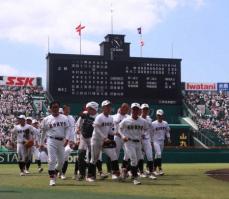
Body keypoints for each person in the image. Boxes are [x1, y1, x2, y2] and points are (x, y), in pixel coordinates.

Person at [87, 100, 120, 182]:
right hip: (96, 141)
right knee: (94, 159)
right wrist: (104, 137)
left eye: (109, 106)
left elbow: (108, 131)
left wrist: (116, 133)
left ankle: (115, 174)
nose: (108, 108)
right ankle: (89, 176)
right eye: (106, 106)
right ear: (103, 108)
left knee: (113, 155)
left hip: (104, 141)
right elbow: (96, 128)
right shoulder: (99, 117)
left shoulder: (110, 118)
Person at [40, 101, 71, 186]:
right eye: (53, 107)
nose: (55, 108)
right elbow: (43, 132)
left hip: (61, 141)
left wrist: (67, 139)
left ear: (59, 108)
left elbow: (68, 129)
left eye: (56, 107)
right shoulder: (46, 119)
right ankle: (52, 179)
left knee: (61, 162)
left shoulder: (64, 118)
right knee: (52, 160)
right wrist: (41, 143)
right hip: (51, 140)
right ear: (50, 109)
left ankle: (55, 172)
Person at [119, 103, 147, 185]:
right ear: (131, 110)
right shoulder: (126, 120)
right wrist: (123, 136)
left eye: (137, 109)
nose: (135, 110)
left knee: (138, 160)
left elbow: (146, 129)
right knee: (134, 160)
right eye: (133, 109)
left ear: (139, 111)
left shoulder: (143, 121)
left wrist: (142, 134)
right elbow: (119, 129)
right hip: (129, 142)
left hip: (138, 142)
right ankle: (135, 178)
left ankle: (125, 170)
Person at [152, 109, 171, 176]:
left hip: (162, 141)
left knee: (157, 156)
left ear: (162, 116)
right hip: (155, 141)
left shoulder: (165, 123)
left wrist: (168, 138)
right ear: (156, 116)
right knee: (159, 154)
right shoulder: (153, 123)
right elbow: (150, 133)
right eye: (158, 115)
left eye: (160, 115)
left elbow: (167, 131)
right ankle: (160, 169)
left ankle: (153, 169)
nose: (159, 116)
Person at [113, 103, 130, 177]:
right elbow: (112, 128)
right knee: (115, 155)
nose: (125, 110)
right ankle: (114, 172)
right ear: (121, 108)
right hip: (117, 137)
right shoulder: (115, 116)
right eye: (124, 108)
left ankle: (123, 168)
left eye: (127, 109)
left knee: (128, 153)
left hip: (125, 138)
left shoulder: (129, 117)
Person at [140, 104, 156, 180]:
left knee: (150, 156)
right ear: (141, 110)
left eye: (146, 109)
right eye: (144, 109)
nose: (145, 111)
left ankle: (150, 173)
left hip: (147, 140)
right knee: (140, 157)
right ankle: (141, 172)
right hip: (139, 140)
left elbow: (151, 131)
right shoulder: (138, 119)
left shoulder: (149, 119)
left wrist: (152, 141)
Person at [59, 105, 76, 180]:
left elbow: (72, 130)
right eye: (67, 109)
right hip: (61, 140)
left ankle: (62, 173)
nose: (68, 110)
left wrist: (72, 140)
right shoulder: (61, 118)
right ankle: (58, 171)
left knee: (65, 156)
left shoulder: (71, 117)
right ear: (63, 110)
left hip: (69, 141)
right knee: (59, 158)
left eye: (69, 109)